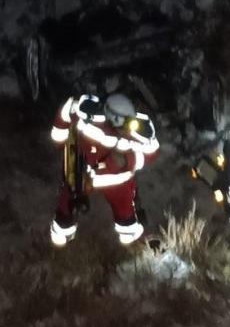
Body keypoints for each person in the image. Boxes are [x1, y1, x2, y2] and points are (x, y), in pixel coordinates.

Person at [49, 92, 159, 247]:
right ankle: (61, 234)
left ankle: (131, 238)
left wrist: (128, 161)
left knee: (125, 210)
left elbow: (151, 153)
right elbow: (63, 124)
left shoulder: (141, 130)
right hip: (83, 173)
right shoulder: (86, 116)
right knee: (67, 202)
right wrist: (64, 146)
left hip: (119, 180)